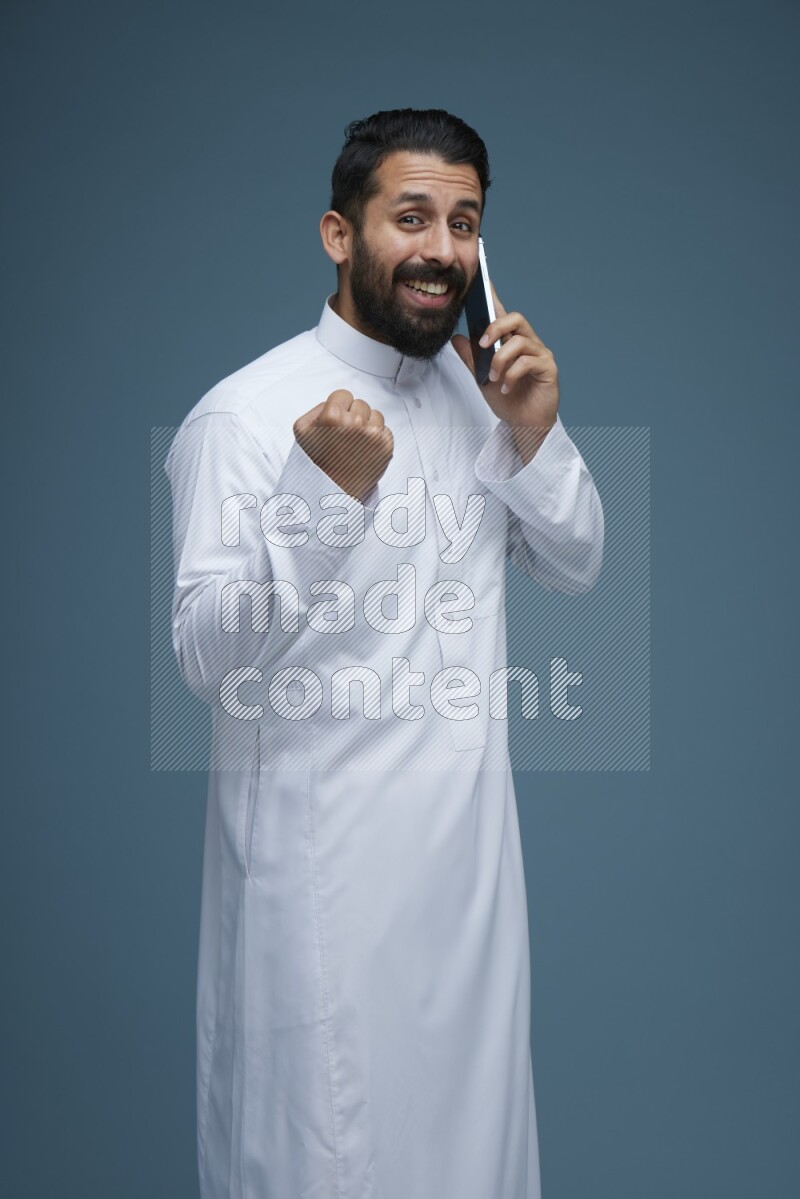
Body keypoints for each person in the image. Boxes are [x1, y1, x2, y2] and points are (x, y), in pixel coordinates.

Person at [165, 107, 603, 1199]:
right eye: (411, 216)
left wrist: (535, 430)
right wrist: (319, 494)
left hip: (471, 905)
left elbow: (580, 563)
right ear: (337, 233)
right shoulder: (244, 416)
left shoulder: (481, 392)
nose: (442, 250)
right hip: (321, 903)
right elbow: (205, 658)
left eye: (464, 222)